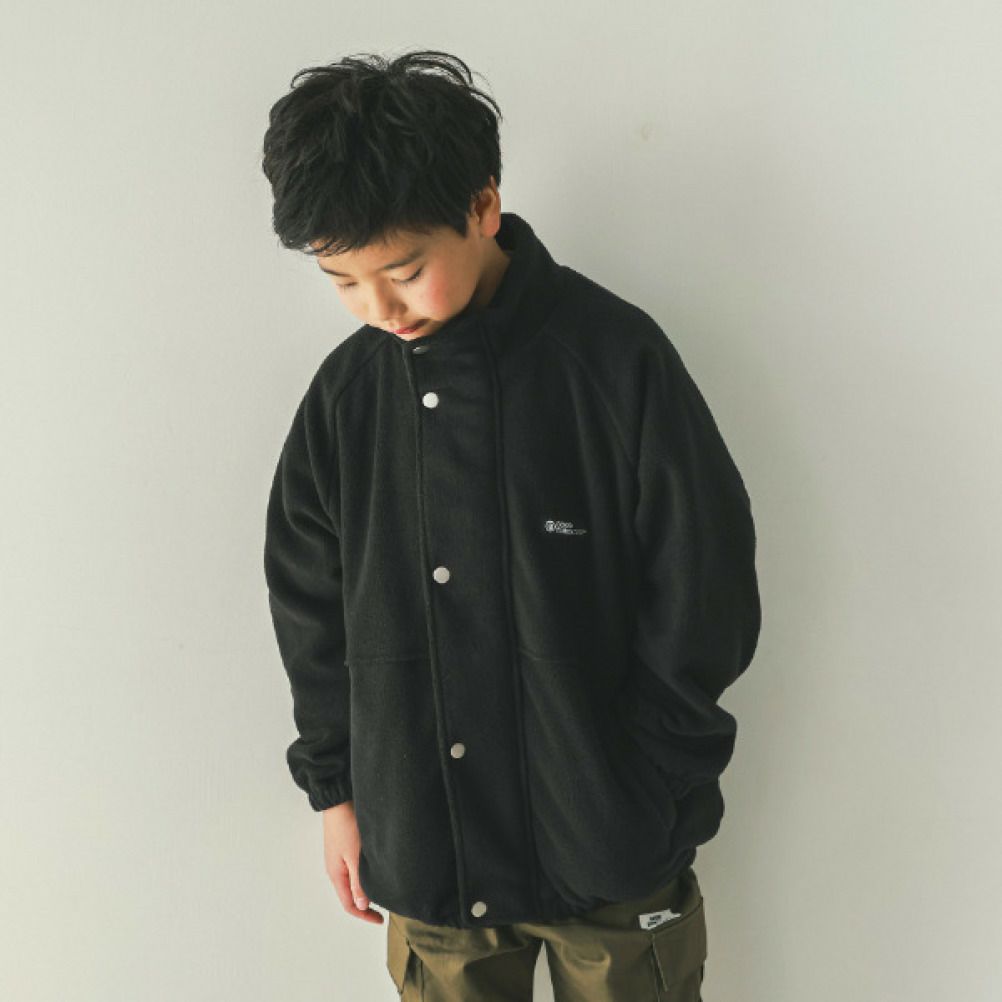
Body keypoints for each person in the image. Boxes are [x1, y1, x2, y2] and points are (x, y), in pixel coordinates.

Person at [261, 48, 761, 1001]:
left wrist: (648, 782)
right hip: (429, 854)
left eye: (405, 271)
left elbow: (706, 583)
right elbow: (308, 610)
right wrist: (338, 791)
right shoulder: (347, 399)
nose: (379, 308)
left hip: (611, 856)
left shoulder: (613, 360)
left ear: (484, 205)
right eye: (343, 282)